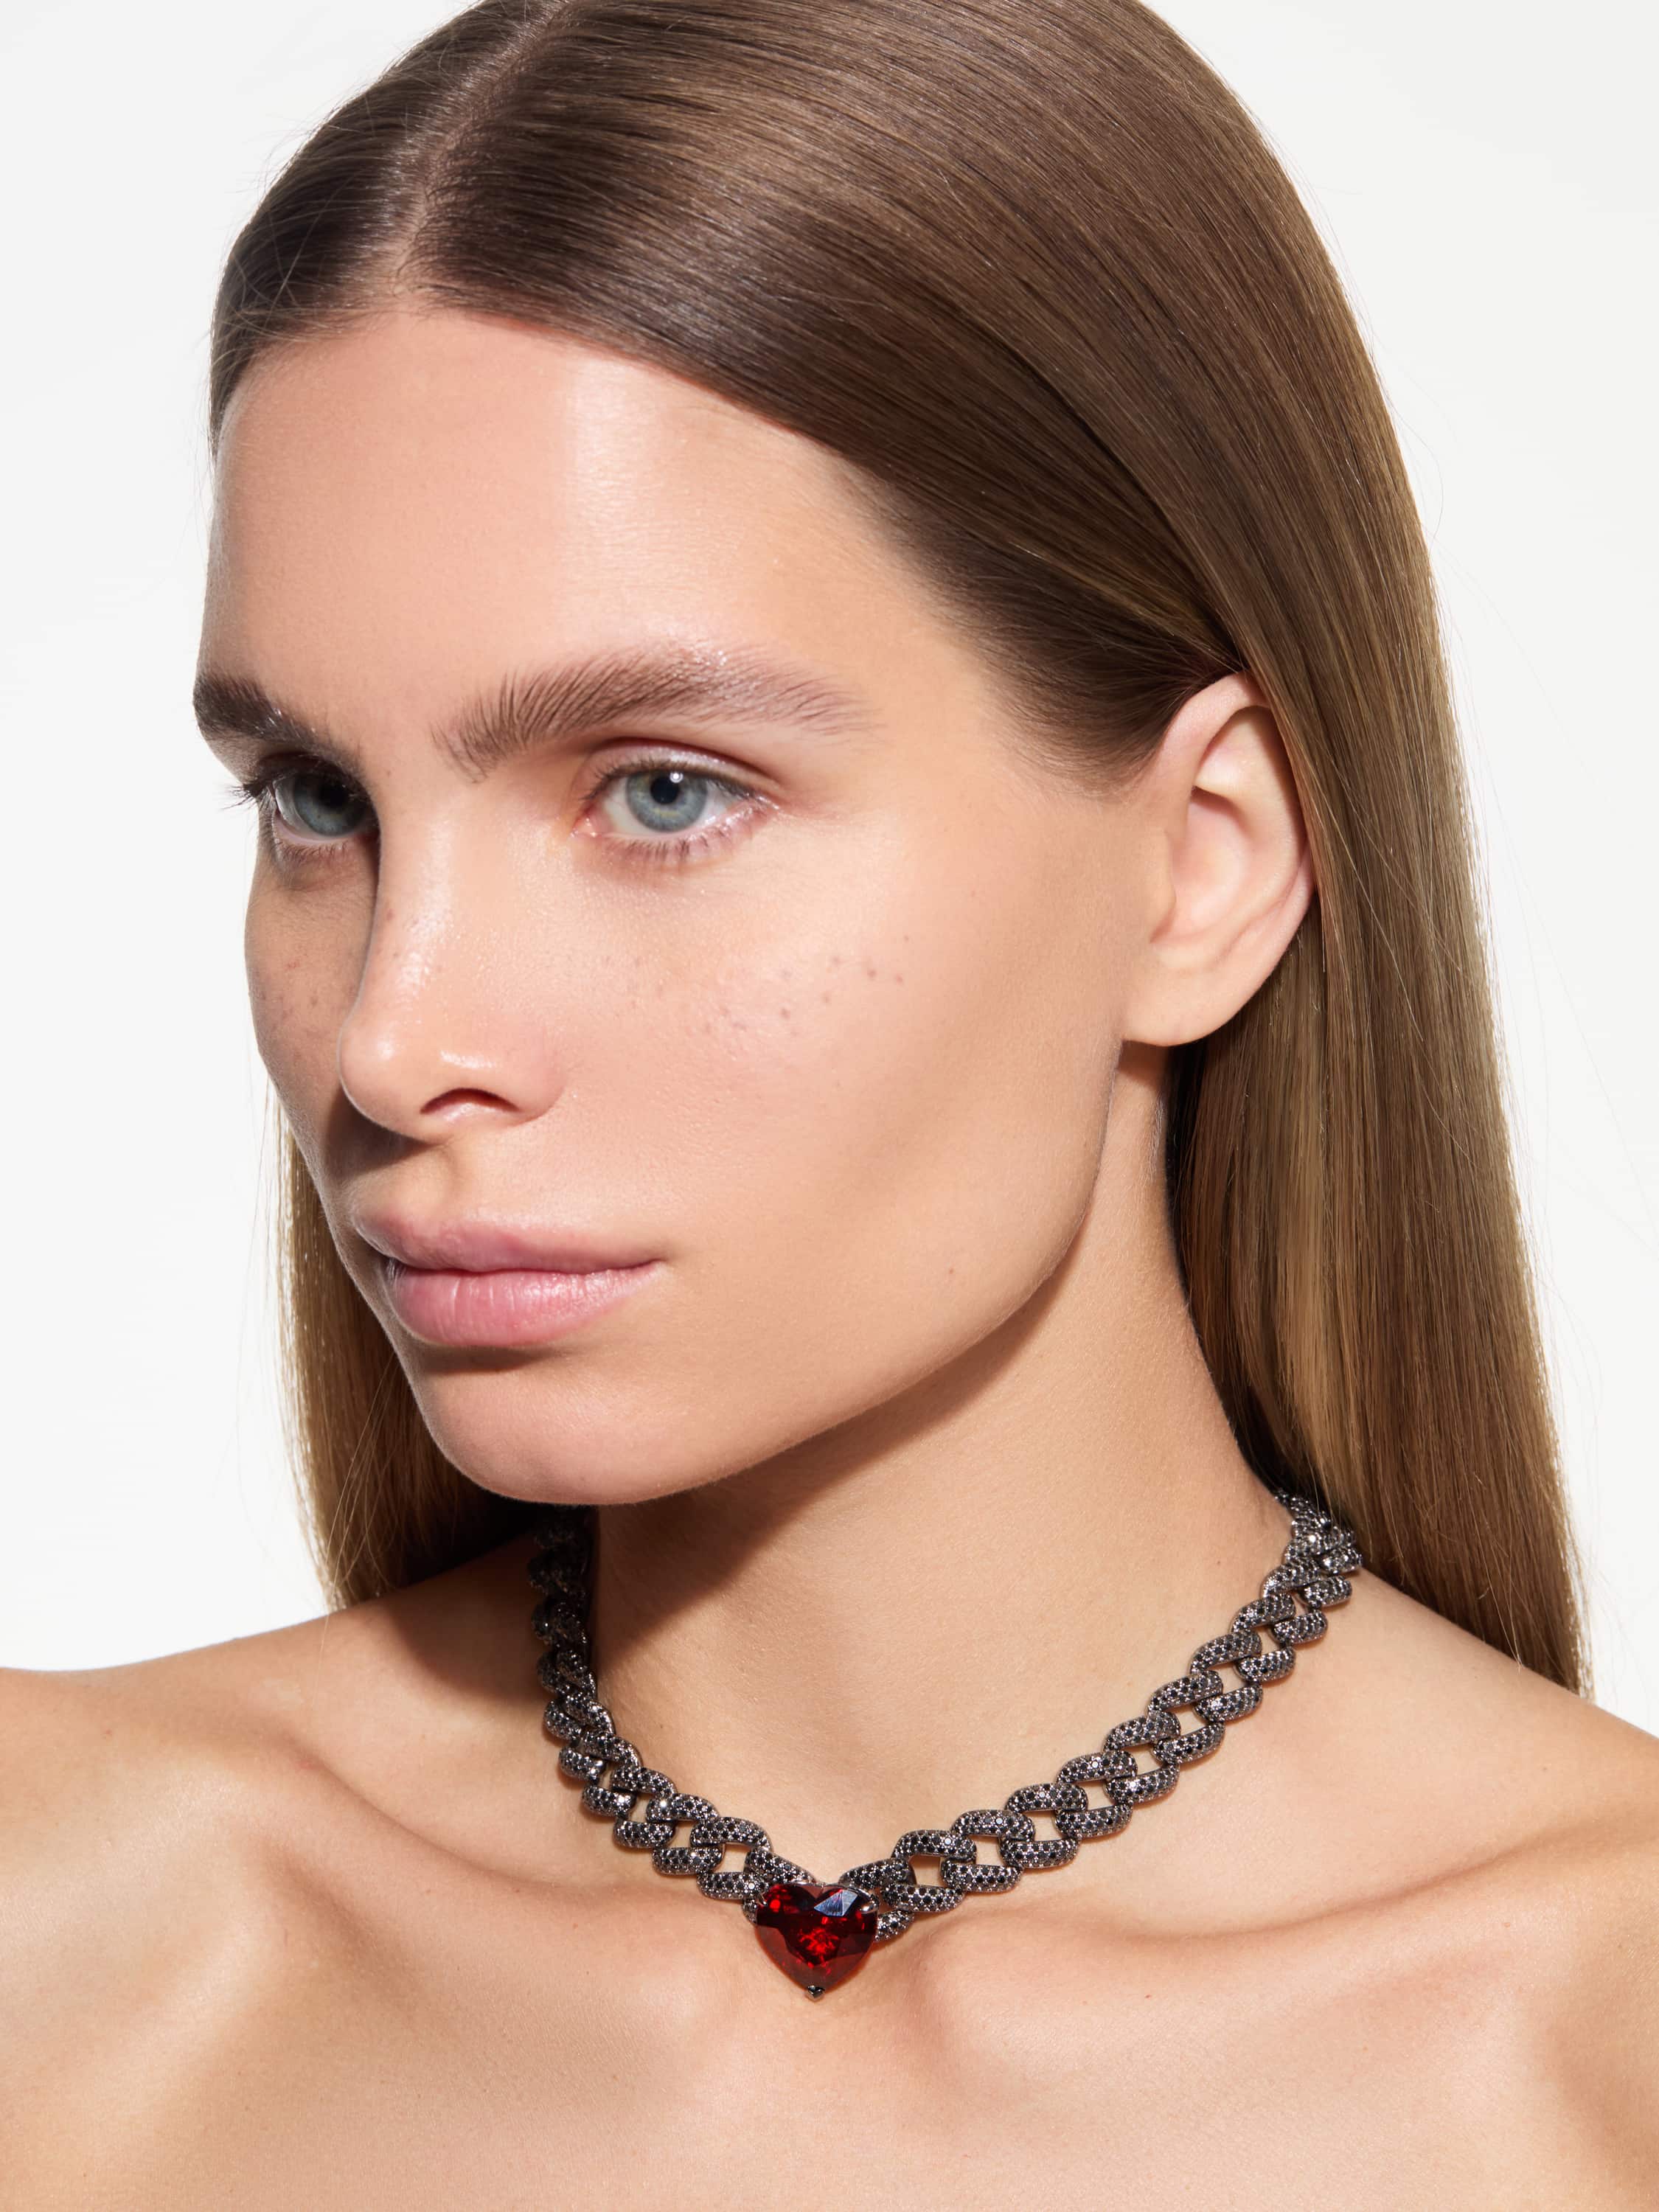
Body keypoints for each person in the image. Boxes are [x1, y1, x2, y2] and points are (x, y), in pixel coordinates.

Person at [4, 0, 1656, 2199]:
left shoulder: (1597, 2048)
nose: (394, 1040)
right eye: (316, 797)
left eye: (664, 792)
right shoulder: (59, 1925)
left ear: (1200, 866)